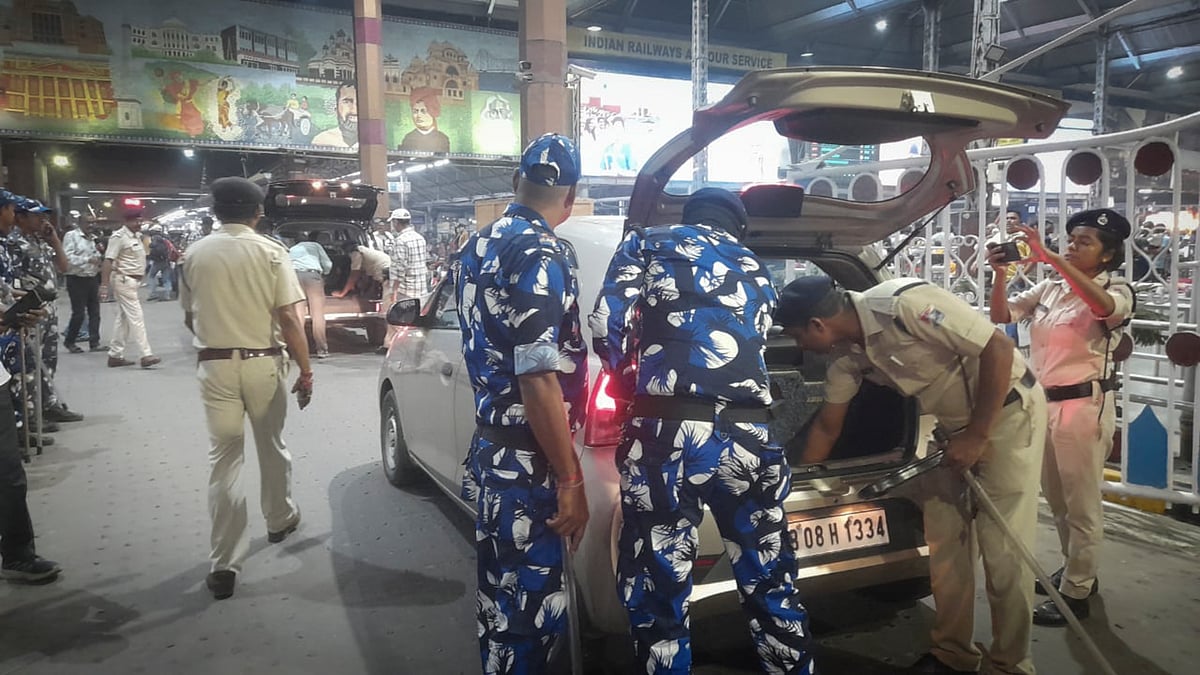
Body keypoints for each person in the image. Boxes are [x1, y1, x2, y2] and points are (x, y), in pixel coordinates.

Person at [588, 188, 814, 675]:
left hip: (667, 438)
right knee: (770, 579)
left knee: (660, 586)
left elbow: (607, 322)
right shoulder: (756, 269)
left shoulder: (646, 243)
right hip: (751, 437)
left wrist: (633, 386)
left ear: (689, 218)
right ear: (737, 229)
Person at [775, 275, 1046, 675]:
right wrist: (798, 484)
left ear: (818, 324)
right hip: (953, 433)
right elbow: (827, 427)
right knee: (946, 544)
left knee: (1003, 551)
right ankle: (953, 654)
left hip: (1006, 417)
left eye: (798, 336)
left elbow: (997, 347)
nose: (800, 346)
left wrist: (976, 434)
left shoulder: (904, 305)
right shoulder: (846, 358)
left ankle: (1009, 664)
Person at [454, 133, 588, 674]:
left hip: (493, 453)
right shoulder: (541, 253)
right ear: (571, 197)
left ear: (516, 183)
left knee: (498, 605)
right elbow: (537, 378)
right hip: (530, 467)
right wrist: (570, 480)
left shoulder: (478, 244)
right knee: (532, 618)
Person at [987, 208, 1133, 627]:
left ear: (1107, 255)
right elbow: (1002, 316)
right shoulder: (1050, 288)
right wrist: (1001, 274)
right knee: (1057, 498)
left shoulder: (1115, 287)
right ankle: (1076, 571)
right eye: (1071, 240)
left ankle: (1076, 592)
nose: (1073, 246)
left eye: (1084, 242)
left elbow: (1105, 308)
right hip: (1045, 404)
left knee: (1082, 504)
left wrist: (1051, 257)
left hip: (1084, 406)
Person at [179, 177, 313, 601]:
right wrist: (306, 372)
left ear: (215, 212)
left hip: (215, 367)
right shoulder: (272, 253)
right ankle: (279, 519)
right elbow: (291, 320)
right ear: (258, 213)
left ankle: (223, 564)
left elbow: (189, 317)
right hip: (264, 364)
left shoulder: (193, 254)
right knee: (271, 445)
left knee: (224, 461)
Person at [101, 207, 160, 369]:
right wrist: (104, 285)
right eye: (135, 220)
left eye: (140, 220)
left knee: (124, 319)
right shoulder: (118, 237)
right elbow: (108, 260)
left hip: (133, 282)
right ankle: (145, 354)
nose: (139, 223)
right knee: (136, 317)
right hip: (123, 280)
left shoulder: (138, 236)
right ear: (126, 221)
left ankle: (115, 355)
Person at [288, 231, 333, 359]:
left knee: (298, 315)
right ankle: (321, 349)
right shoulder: (315, 245)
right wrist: (325, 273)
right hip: (312, 276)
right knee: (317, 314)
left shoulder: (291, 249)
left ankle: (298, 350)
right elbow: (328, 264)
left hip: (295, 277)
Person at [63, 217, 104, 353]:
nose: (91, 225)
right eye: (88, 222)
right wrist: (87, 259)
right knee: (79, 313)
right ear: (80, 223)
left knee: (95, 313)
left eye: (93, 222)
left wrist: (99, 255)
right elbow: (67, 257)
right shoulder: (71, 236)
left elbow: (96, 256)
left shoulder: (94, 238)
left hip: (91, 278)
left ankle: (94, 343)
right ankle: (70, 341)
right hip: (76, 279)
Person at [387, 208, 428, 302]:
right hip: (421, 290)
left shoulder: (400, 241)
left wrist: (393, 293)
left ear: (396, 222)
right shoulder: (420, 238)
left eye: (393, 222)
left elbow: (399, 270)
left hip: (406, 293)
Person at [398, 88, 450, 153]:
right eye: (415, 111)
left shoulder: (443, 139)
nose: (418, 115)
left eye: (423, 111)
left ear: (433, 111)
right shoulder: (408, 138)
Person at [312, 81, 358, 149]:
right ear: (336, 109)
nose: (354, 110)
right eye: (347, 102)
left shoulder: (376, 140)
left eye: (360, 102)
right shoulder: (322, 140)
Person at [145, 227, 174, 302]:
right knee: (166, 279)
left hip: (157, 262)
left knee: (151, 276)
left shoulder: (155, 238)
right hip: (166, 261)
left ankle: (153, 293)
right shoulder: (166, 238)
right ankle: (167, 295)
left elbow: (151, 246)